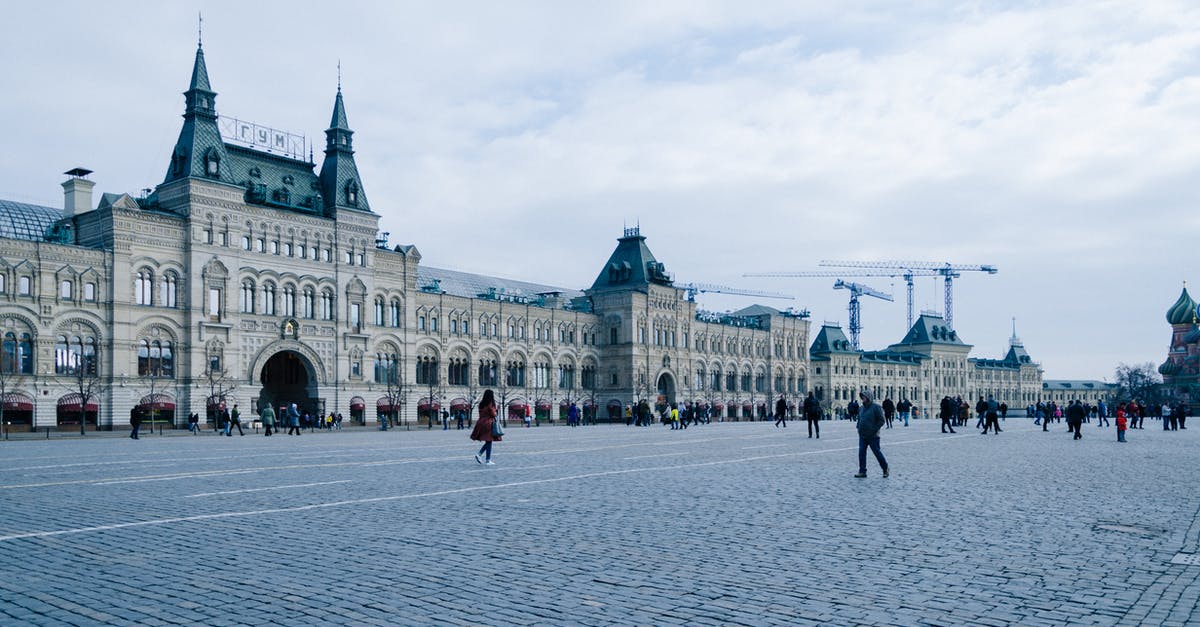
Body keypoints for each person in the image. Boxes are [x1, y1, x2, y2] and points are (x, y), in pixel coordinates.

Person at [854, 390, 889, 478]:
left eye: (864, 396)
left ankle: (885, 468)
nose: (863, 398)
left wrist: (874, 429)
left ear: (869, 397)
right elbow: (860, 418)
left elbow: (882, 420)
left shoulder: (876, 407)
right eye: (862, 397)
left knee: (877, 453)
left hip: (873, 435)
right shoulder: (861, 408)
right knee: (861, 453)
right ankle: (862, 471)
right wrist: (858, 427)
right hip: (862, 435)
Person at [471, 389, 501, 466]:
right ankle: (484, 457)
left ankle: (485, 458)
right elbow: (493, 413)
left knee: (488, 441)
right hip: (488, 423)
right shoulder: (490, 403)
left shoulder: (481, 403)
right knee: (489, 441)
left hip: (481, 422)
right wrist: (496, 410)